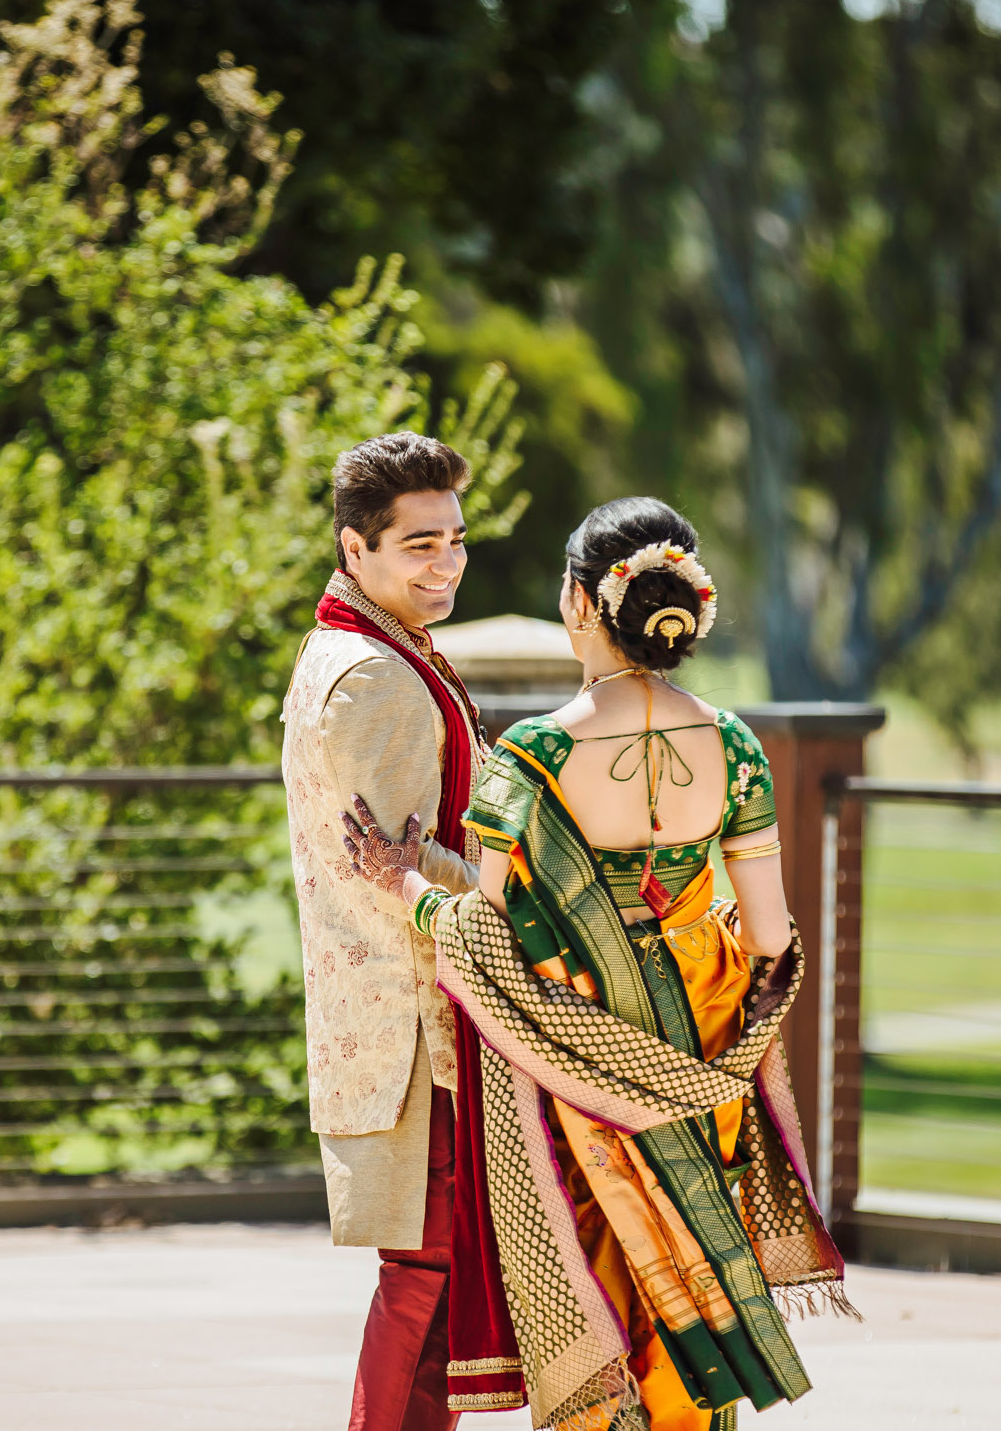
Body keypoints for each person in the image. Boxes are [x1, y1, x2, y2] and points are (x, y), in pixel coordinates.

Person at [343, 497, 851, 1431]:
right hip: (703, 1040)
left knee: (601, 1270)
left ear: (581, 603)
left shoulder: (532, 758)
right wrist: (710, 1026)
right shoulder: (735, 746)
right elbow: (775, 945)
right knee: (692, 1264)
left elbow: (493, 948)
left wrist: (407, 886)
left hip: (578, 1059)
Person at [280, 431, 485, 1431]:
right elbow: (395, 877)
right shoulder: (374, 679)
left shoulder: (366, 647)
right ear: (356, 549)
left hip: (407, 1022)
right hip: (419, 1030)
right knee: (430, 1279)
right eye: (418, 545)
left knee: (430, 1278)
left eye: (454, 539)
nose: (444, 564)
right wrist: (516, 905)